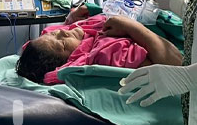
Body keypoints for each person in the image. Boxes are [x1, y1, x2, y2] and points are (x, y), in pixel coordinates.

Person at [16, 13, 182, 84]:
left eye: (53, 35)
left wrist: (90, 10)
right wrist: (131, 26)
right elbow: (177, 65)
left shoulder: (80, 29)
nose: (60, 32)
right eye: (61, 43)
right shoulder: (106, 55)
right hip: (177, 34)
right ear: (70, 60)